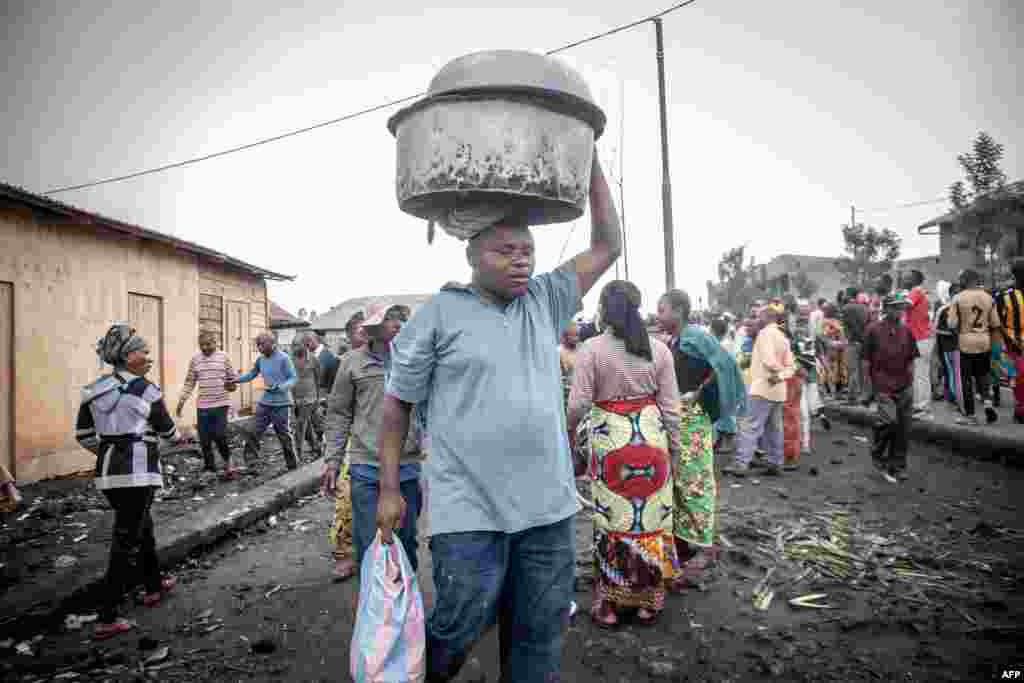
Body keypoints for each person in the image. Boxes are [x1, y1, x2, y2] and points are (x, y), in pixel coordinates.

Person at [376, 152, 620, 682]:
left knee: (539, 636)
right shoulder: (438, 315)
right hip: (469, 514)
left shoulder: (546, 299)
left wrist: (591, 162)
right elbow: (396, 405)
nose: (521, 260)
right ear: (472, 255)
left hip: (548, 512)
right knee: (459, 626)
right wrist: (390, 489)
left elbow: (608, 246)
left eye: (527, 250)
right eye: (504, 250)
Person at [567, 280, 680, 627]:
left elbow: (579, 403)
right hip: (652, 440)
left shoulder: (592, 349)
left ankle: (610, 607)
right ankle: (649, 602)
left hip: (611, 442)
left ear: (603, 308)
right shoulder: (660, 350)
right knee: (650, 521)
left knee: (613, 524)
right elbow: (671, 407)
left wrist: (569, 432)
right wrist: (673, 449)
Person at [75, 323, 182, 640]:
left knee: (141, 525)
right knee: (126, 540)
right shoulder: (147, 389)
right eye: (142, 351)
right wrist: (146, 444)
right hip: (139, 473)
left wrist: (111, 448)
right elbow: (170, 433)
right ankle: (107, 615)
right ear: (126, 356)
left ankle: (153, 584)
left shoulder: (93, 389)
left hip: (108, 473)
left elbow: (83, 436)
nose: (148, 356)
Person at [320, 303, 421, 582]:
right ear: (374, 328)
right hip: (366, 466)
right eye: (391, 318)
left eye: (402, 318)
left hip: (407, 465)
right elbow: (339, 413)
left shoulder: (414, 360)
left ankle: (405, 608)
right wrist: (332, 461)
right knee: (369, 543)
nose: (399, 323)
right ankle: (375, 611)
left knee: (406, 541)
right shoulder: (352, 363)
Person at [657, 289, 746, 587]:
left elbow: (724, 366)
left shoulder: (695, 336)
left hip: (693, 421)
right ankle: (686, 542)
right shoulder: (676, 340)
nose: (659, 315)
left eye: (663, 309)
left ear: (679, 311)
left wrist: (700, 394)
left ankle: (706, 548)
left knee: (695, 482)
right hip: (679, 421)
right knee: (680, 482)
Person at [724, 304, 795, 477]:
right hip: (778, 390)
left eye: (759, 317)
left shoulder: (764, 334)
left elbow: (769, 361)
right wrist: (781, 375)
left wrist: (776, 373)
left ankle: (741, 464)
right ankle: (775, 462)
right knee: (774, 429)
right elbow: (792, 366)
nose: (756, 320)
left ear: (766, 318)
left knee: (750, 426)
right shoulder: (782, 336)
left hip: (763, 387)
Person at [863, 292, 918, 482]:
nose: (900, 311)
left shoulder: (907, 331)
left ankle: (898, 466)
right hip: (882, 384)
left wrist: (910, 384)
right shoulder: (873, 330)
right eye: (896, 307)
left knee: (903, 428)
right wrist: (868, 389)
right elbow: (866, 362)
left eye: (901, 307)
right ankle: (878, 451)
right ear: (886, 309)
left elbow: (911, 359)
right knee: (888, 421)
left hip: (903, 385)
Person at [176, 331, 239, 478]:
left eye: (208, 344)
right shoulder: (195, 360)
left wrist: (232, 385)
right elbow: (189, 382)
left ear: (215, 343)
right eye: (202, 345)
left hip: (221, 403)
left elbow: (233, 379)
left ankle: (228, 461)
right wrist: (181, 401)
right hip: (203, 405)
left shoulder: (224, 357)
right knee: (204, 439)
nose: (205, 347)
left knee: (219, 435)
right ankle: (210, 468)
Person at [232, 333, 299, 470]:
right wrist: (236, 380)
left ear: (272, 343)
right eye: (258, 345)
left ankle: (293, 466)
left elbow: (293, 378)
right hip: (265, 402)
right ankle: (252, 464)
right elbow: (252, 374)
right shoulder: (261, 360)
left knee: (284, 435)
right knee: (252, 431)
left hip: (281, 403)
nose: (259, 347)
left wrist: (280, 387)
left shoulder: (284, 358)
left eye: (262, 344)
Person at [948, 269, 1002, 426]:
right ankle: (988, 405)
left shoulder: (958, 298)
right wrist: (995, 344)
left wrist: (957, 334)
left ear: (965, 280)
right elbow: (995, 323)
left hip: (965, 340)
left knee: (965, 379)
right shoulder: (988, 297)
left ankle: (970, 416)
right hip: (984, 340)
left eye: (961, 279)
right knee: (983, 375)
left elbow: (952, 323)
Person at [995, 258, 1024, 423]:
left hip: (1014, 346)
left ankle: (1020, 410)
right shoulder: (1004, 296)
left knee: (1018, 378)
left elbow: (996, 322)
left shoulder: (1003, 296)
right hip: (1014, 346)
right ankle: (1020, 410)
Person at [902, 270, 933, 417]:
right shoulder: (917, 292)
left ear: (914, 279)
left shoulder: (916, 291)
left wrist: (893, 300)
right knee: (918, 374)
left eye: (906, 277)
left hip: (920, 339)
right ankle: (918, 405)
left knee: (920, 374)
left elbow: (905, 305)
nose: (903, 279)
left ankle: (923, 407)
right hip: (920, 338)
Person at [290, 335, 323, 460]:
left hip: (309, 398)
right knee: (306, 425)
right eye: (293, 345)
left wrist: (318, 399)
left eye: (298, 345)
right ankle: (316, 447)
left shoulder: (313, 359)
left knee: (300, 425)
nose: (295, 348)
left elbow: (318, 380)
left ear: (305, 345)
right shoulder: (290, 359)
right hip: (295, 398)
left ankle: (297, 454)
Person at [709, 317, 738, 454]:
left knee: (727, 413)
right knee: (722, 412)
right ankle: (720, 440)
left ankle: (729, 442)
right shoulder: (725, 343)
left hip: (725, 382)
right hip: (723, 381)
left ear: (713, 330)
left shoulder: (724, 345)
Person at [935, 284, 963, 410]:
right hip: (950, 347)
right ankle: (954, 397)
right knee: (952, 373)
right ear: (951, 294)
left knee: (956, 373)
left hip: (962, 347)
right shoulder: (944, 309)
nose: (959, 296)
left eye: (960, 292)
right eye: (956, 293)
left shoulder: (964, 307)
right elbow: (937, 330)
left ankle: (956, 398)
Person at [841, 287, 870, 406]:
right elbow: (867, 325)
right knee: (863, 371)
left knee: (852, 370)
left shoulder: (846, 308)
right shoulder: (864, 308)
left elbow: (850, 326)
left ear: (849, 295)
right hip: (864, 342)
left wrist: (853, 337)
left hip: (853, 342)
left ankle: (852, 397)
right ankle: (864, 395)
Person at [559, 320, 580, 410]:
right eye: (573, 335)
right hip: (566, 395)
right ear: (565, 336)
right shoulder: (559, 352)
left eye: (577, 335)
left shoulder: (582, 349)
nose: (576, 338)